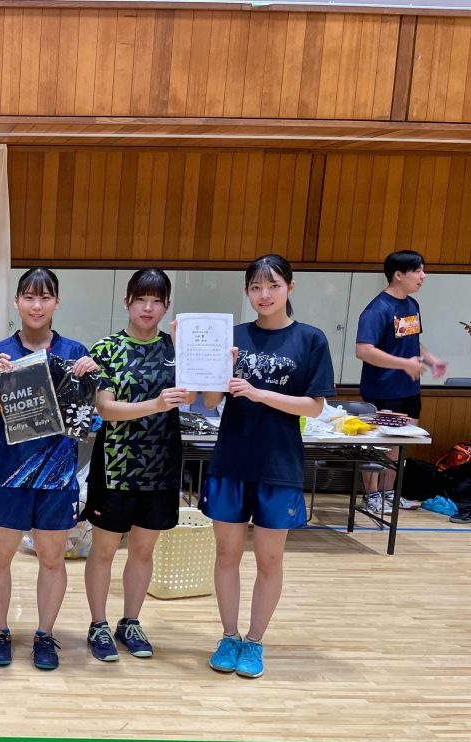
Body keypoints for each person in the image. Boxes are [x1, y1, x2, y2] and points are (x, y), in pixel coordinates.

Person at [201, 254, 335, 679]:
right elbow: (208, 402)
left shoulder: (310, 340)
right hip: (231, 460)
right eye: (256, 287)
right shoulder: (233, 337)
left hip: (279, 464)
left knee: (269, 560)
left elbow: (314, 407)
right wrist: (220, 367)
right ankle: (228, 635)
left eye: (273, 286)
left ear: (290, 288)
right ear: (247, 292)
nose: (264, 294)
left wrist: (259, 394)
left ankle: (255, 641)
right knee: (226, 555)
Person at [0, 268, 97, 670]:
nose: (36, 305)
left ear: (56, 303)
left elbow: (86, 419)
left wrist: (88, 379)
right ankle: (0, 632)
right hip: (8, 471)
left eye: (45, 297)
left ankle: (45, 636)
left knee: (52, 559)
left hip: (57, 471)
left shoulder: (74, 351)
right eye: (28, 297)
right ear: (16, 302)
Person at [83, 269, 192, 663]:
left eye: (157, 300)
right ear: (127, 300)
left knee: (144, 550)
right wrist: (156, 405)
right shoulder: (106, 348)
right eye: (141, 298)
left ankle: (130, 621)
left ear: (166, 306)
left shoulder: (174, 347)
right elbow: (106, 409)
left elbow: (200, 395)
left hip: (162, 464)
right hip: (115, 465)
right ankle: (98, 624)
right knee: (105, 550)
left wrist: (193, 353)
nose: (149, 307)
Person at [355, 250, 447, 513]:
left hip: (409, 389)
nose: (423, 276)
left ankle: (389, 495)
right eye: (418, 271)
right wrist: (404, 364)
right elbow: (363, 350)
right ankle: (371, 496)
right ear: (398, 275)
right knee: (377, 446)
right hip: (382, 390)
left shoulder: (412, 306)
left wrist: (431, 360)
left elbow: (412, 341)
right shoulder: (377, 309)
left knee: (399, 446)